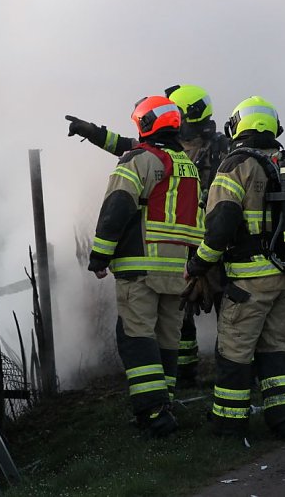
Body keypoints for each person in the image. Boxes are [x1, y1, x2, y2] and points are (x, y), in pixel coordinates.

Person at [68, 84, 229, 385]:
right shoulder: (173, 148)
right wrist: (93, 132)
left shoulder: (220, 149)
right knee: (180, 318)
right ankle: (182, 376)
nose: (174, 119)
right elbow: (133, 145)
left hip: (213, 240)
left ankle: (229, 374)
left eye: (178, 113)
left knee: (224, 309)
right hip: (186, 243)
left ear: (190, 115)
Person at [184, 96, 285, 442]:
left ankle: (229, 425)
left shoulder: (234, 165)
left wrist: (199, 263)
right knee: (275, 352)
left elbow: (221, 224)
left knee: (234, 354)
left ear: (237, 125)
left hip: (250, 281)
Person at [87, 95, 204, 437]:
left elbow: (117, 207)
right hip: (178, 269)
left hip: (140, 267)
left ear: (144, 124)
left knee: (136, 337)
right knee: (166, 339)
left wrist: (99, 256)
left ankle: (153, 414)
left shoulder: (139, 160)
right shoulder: (187, 165)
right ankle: (163, 403)